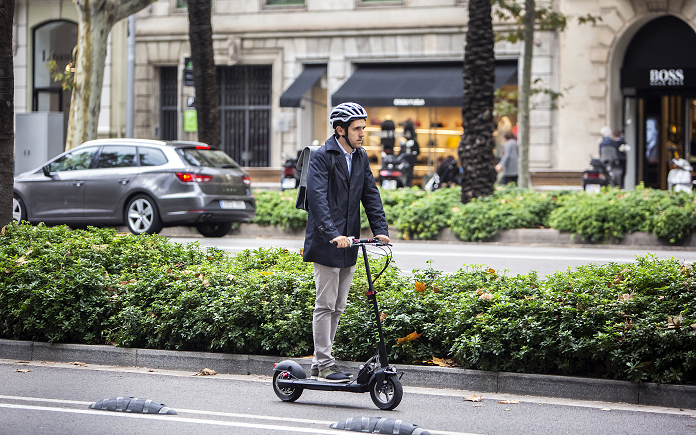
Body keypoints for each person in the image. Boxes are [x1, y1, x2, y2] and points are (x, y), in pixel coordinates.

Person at [303, 102, 390, 383]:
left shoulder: (361, 156)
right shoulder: (322, 156)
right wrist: (331, 233)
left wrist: (380, 229)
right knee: (325, 305)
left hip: (349, 242)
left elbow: (370, 194)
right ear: (340, 130)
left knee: (339, 306)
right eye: (357, 128)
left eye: (363, 128)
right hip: (327, 241)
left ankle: (320, 363)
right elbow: (317, 199)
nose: (362, 133)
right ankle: (325, 364)